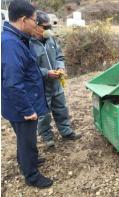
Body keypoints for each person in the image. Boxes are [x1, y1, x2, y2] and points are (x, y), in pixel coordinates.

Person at [1, 0, 53, 188]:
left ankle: (25, 161)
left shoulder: (16, 38)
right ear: (23, 20)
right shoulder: (11, 44)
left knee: (24, 139)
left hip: (23, 101)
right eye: (34, 20)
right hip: (22, 105)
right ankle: (31, 176)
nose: (36, 25)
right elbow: (13, 82)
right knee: (27, 140)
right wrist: (27, 109)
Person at [30, 10, 81, 148]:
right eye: (45, 27)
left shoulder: (51, 39)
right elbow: (29, 68)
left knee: (61, 108)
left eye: (49, 27)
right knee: (44, 115)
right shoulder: (28, 43)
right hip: (41, 86)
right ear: (36, 26)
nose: (48, 30)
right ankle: (47, 137)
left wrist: (60, 67)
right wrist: (46, 73)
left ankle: (66, 131)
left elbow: (59, 56)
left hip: (56, 83)